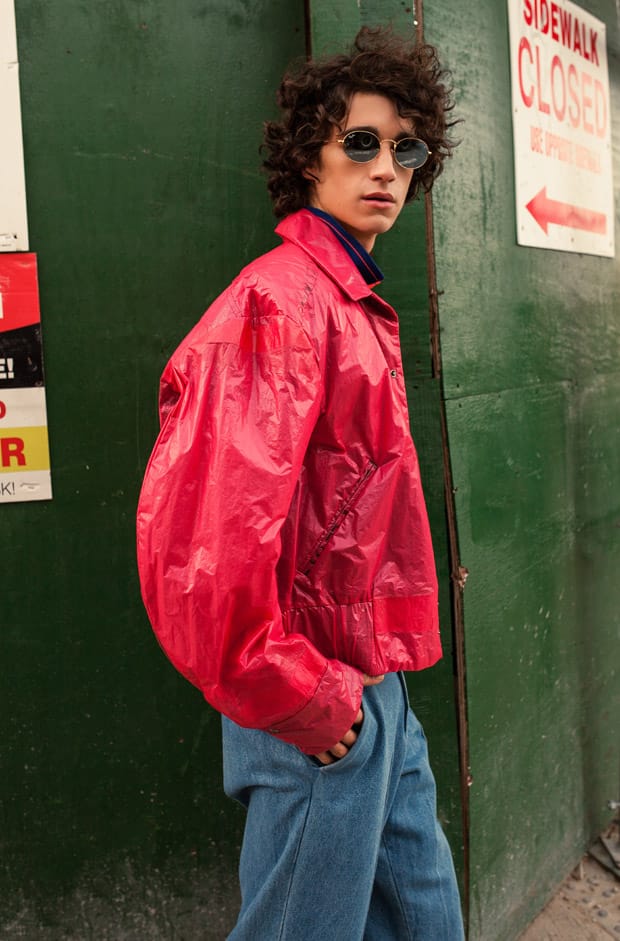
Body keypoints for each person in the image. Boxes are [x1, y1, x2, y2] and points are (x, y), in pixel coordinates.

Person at [137, 25, 463, 940]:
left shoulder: (346, 300)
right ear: (309, 156)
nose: (386, 167)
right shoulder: (281, 301)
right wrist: (307, 701)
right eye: (360, 141)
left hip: (372, 694)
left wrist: (367, 702)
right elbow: (206, 545)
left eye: (407, 148)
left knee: (427, 918)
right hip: (312, 704)